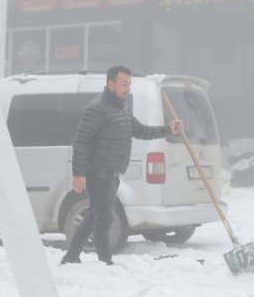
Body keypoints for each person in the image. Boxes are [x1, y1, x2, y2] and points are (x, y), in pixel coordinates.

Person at [63, 65, 182, 265]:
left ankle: (72, 254)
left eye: (129, 84)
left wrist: (167, 129)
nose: (128, 88)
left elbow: (141, 131)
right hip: (98, 172)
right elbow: (81, 142)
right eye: (124, 84)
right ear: (111, 84)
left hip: (112, 172)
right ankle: (104, 261)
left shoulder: (121, 109)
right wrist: (79, 174)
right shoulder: (97, 109)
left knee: (95, 215)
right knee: (105, 219)